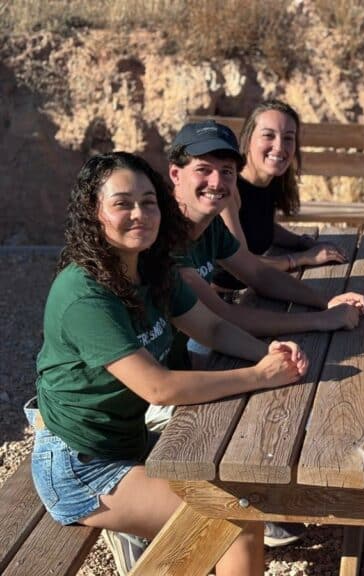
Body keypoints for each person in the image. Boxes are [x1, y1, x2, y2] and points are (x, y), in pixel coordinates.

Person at [28, 152, 308, 576]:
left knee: (241, 475)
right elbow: (158, 388)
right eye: (122, 203)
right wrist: (258, 376)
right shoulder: (85, 295)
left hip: (130, 441)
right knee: (235, 521)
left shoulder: (151, 269)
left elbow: (212, 328)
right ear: (94, 212)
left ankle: (143, 532)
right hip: (80, 465)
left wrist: (267, 354)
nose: (139, 214)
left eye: (149, 201)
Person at [168, 119, 364, 346]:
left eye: (226, 171)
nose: (216, 182)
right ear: (175, 174)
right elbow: (224, 317)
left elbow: (258, 274)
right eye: (203, 169)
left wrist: (326, 301)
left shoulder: (210, 223)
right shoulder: (164, 237)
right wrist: (319, 319)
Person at [212, 99, 347, 292]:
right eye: (268, 135)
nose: (279, 147)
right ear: (248, 139)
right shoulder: (228, 189)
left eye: (288, 138)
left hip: (253, 287)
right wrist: (303, 258)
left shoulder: (270, 180)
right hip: (222, 299)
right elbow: (242, 263)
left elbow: (260, 225)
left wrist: (304, 242)